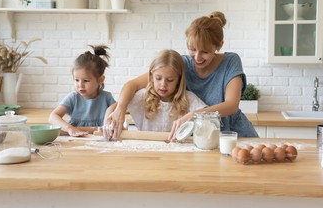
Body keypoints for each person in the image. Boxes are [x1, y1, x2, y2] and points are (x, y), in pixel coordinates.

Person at [105, 11, 258, 140]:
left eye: (204, 51)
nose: (197, 57)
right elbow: (133, 85)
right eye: (192, 49)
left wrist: (193, 115)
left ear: (219, 45)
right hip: (205, 137)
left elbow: (231, 105)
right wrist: (119, 109)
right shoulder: (182, 63)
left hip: (234, 134)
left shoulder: (231, 61)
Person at [104, 49, 206, 134]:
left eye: (170, 80)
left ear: (179, 79)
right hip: (146, 152)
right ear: (151, 76)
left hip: (177, 154)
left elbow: (209, 115)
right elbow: (113, 108)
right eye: (158, 78)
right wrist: (108, 124)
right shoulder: (142, 96)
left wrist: (194, 116)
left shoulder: (188, 98)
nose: (163, 84)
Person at [49, 45, 116, 136]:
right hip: (75, 139)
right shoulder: (73, 98)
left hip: (99, 141)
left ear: (100, 80)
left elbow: (116, 111)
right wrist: (69, 128)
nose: (80, 85)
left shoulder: (107, 98)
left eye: (86, 80)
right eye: (76, 80)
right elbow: (53, 117)